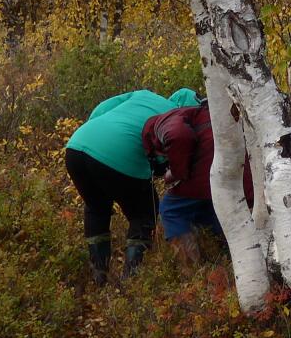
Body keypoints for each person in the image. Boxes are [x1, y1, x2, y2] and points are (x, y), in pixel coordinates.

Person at [65, 87, 200, 284]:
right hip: (118, 153)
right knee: (144, 212)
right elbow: (166, 158)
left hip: (77, 145)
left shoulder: (143, 95)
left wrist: (94, 136)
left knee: (96, 208)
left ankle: (99, 276)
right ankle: (132, 279)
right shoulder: (178, 116)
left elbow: (103, 107)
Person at [140, 100, 254, 264]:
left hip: (216, 169)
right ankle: (232, 257)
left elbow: (178, 135)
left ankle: (191, 266)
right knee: (210, 207)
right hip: (243, 168)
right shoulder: (197, 114)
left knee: (172, 209)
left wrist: (175, 174)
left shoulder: (160, 123)